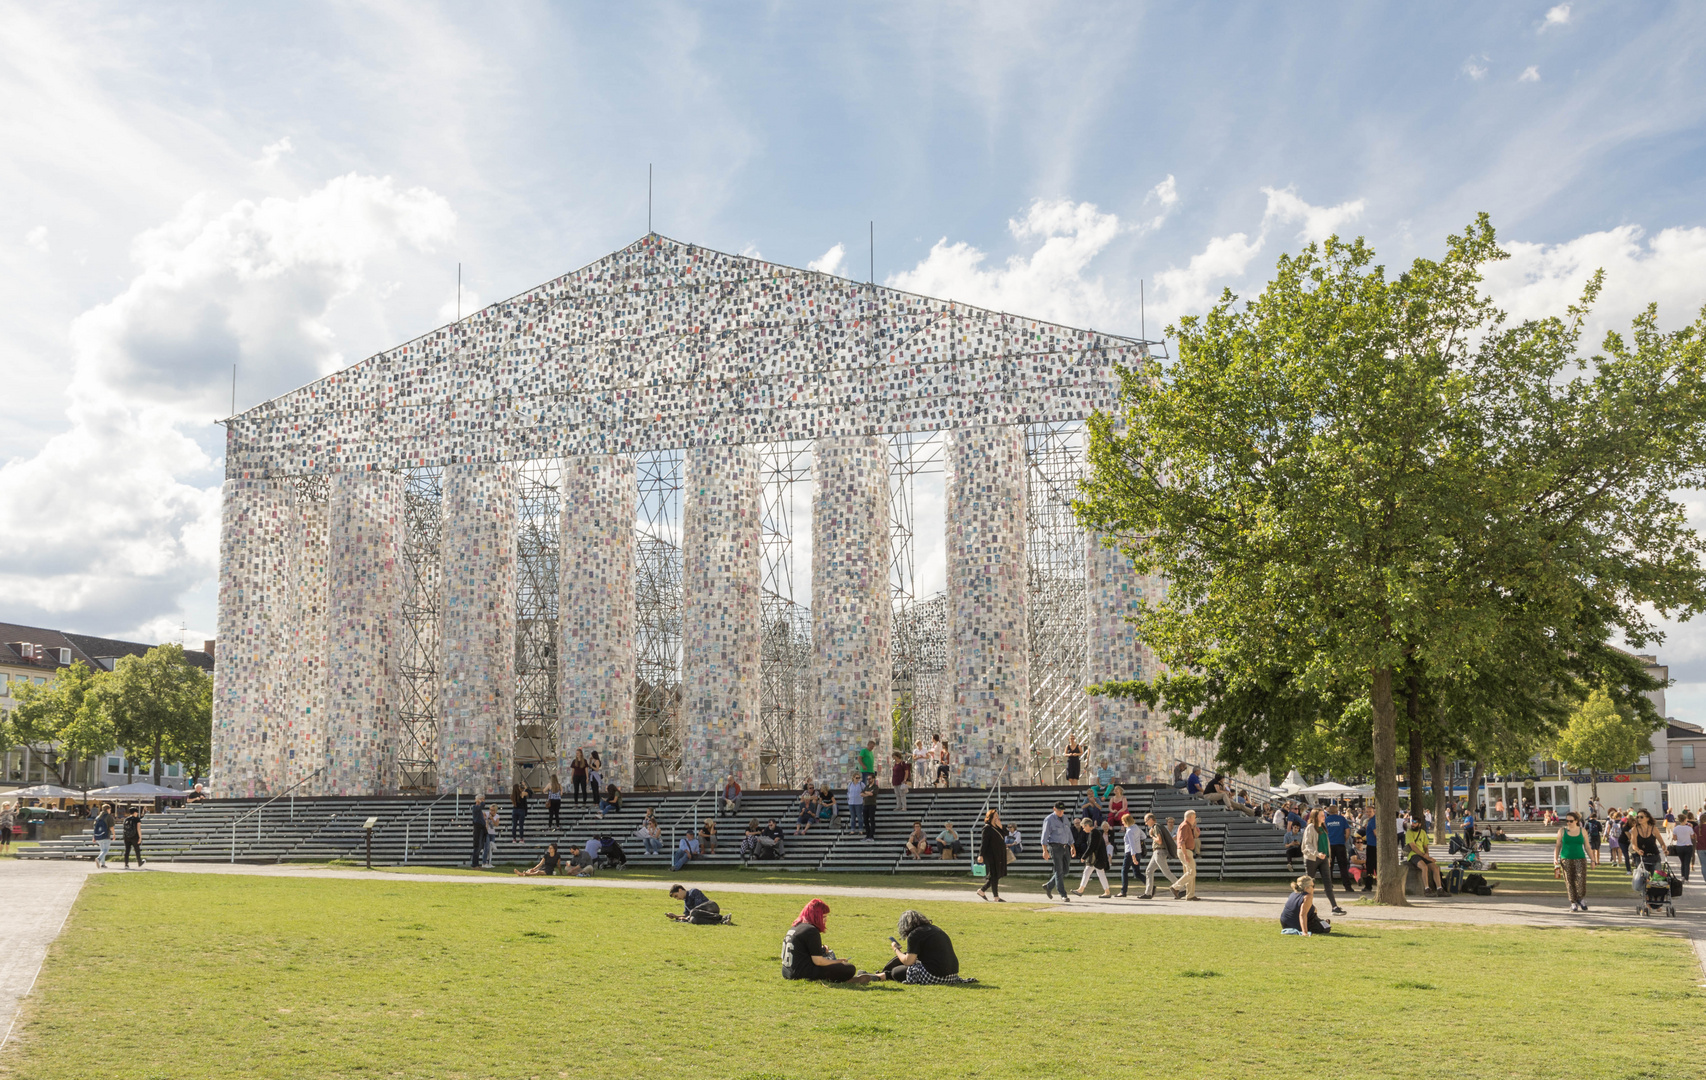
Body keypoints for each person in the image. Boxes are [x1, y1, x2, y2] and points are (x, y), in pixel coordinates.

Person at [781, 899, 871, 984]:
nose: (826, 919)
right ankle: (845, 980)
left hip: (786, 972)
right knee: (849, 968)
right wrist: (838, 962)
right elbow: (818, 961)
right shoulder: (811, 931)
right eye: (823, 916)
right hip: (801, 973)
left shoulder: (796, 927)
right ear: (815, 916)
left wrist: (821, 950)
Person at [880, 910, 975, 985]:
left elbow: (908, 961)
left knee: (896, 972)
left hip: (936, 975)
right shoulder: (934, 929)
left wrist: (896, 949)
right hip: (952, 975)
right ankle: (881, 974)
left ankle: (882, 975)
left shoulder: (915, 934)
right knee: (903, 957)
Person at [1303, 809, 1345, 915]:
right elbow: (1308, 844)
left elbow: (1327, 844)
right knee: (1309, 883)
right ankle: (1306, 907)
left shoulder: (1323, 827)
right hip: (1312, 858)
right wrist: (1317, 853)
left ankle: (1334, 907)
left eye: (1324, 815)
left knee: (1328, 883)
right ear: (1316, 816)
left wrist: (1328, 858)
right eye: (1322, 815)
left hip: (1324, 858)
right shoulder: (1311, 827)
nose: (1324, 817)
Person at [1553, 811, 1591, 911]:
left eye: (1571, 821)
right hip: (1566, 858)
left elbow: (1587, 846)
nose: (1568, 823)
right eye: (1567, 821)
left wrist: (1593, 859)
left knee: (1581, 880)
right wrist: (1555, 859)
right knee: (1569, 881)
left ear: (1576, 821)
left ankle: (1580, 898)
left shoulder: (1582, 831)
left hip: (1580, 858)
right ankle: (1573, 902)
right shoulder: (1562, 831)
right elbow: (1558, 845)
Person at [1139, 812, 1178, 899]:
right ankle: (1148, 893)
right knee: (1149, 871)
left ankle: (1181, 888)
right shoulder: (1157, 826)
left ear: (1151, 819)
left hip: (1159, 852)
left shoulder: (1156, 827)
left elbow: (1159, 841)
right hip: (1157, 852)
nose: (1146, 823)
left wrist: (1151, 835)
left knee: (1166, 872)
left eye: (1146, 821)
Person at [1041, 803, 1074, 902]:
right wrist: (1044, 850)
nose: (1061, 812)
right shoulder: (1049, 819)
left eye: (1062, 810)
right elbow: (1045, 835)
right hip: (1055, 847)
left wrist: (1072, 846)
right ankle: (1063, 894)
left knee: (1065, 870)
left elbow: (1069, 833)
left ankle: (1049, 886)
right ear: (1054, 809)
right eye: (1059, 810)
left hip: (1065, 846)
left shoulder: (1065, 818)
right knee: (1059, 870)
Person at [1074, 817, 1113, 898]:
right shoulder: (1095, 832)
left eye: (1084, 827)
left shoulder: (1094, 833)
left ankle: (1106, 891)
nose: (1083, 829)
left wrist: (1084, 856)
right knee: (1090, 872)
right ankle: (1081, 889)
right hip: (1096, 858)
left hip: (1097, 858)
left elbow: (1091, 846)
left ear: (1087, 825)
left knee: (1096, 873)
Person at [1406, 817, 1444, 896]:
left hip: (1423, 855)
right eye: (1412, 822)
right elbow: (1413, 847)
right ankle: (1427, 889)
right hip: (1413, 855)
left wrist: (1427, 854)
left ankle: (1439, 889)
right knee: (1424, 867)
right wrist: (1425, 856)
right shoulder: (1409, 833)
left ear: (1419, 824)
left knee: (1435, 867)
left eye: (1415, 823)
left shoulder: (1423, 832)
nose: (1412, 824)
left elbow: (1426, 846)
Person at [977, 809, 1008, 901]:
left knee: (996, 875)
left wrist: (1001, 826)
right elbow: (984, 843)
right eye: (995, 816)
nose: (997, 818)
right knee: (995, 874)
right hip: (991, 855)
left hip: (999, 854)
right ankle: (996, 897)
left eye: (998, 816)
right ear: (990, 818)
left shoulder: (998, 827)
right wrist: (981, 855)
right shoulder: (987, 828)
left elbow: (1006, 833)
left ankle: (982, 890)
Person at [1323, 804, 1353, 894]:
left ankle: (1329, 886)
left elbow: (1323, 832)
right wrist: (1344, 839)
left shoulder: (1326, 820)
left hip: (1329, 845)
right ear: (1337, 811)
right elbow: (1348, 831)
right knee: (1343, 866)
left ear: (1329, 811)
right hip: (1340, 844)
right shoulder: (1342, 819)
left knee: (1329, 867)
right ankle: (1347, 886)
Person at [668, 884, 732, 925]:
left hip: (711, 907)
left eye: (676, 896)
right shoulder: (686, 902)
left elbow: (697, 910)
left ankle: (722, 917)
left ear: (680, 890)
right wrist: (676, 916)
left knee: (693, 912)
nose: (677, 898)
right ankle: (722, 921)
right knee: (693, 920)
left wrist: (687, 917)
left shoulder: (693, 892)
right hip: (703, 915)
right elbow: (687, 915)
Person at [1627, 809, 1664, 878]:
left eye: (1641, 817)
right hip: (1641, 858)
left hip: (1654, 857)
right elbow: (1634, 845)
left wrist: (1664, 849)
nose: (1639, 819)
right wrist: (1638, 850)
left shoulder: (1654, 829)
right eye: (1637, 817)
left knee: (1657, 880)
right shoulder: (1634, 829)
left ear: (1647, 818)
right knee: (1642, 880)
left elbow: (1661, 842)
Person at [1172, 810, 1199, 900]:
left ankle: (1190, 895)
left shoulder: (1188, 826)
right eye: (1194, 817)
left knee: (1189, 873)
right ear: (1190, 817)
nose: (1195, 819)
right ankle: (1175, 887)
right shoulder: (1185, 826)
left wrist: (1193, 827)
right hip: (1185, 850)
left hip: (1186, 850)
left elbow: (1196, 836)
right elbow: (1182, 841)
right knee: (1192, 872)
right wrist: (1185, 855)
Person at [1117, 812, 1144, 897]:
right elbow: (1144, 836)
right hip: (1138, 851)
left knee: (1124, 871)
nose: (1122, 823)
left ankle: (1123, 891)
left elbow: (1131, 844)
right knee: (1137, 873)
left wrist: (1133, 857)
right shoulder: (1136, 827)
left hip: (1130, 853)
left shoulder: (1129, 831)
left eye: (1123, 821)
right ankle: (1150, 885)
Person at [1671, 811, 1695, 883]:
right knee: (1687, 863)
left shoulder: (1676, 828)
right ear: (1685, 820)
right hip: (1688, 846)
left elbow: (1674, 838)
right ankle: (1686, 878)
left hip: (1679, 846)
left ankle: (1682, 876)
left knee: (1682, 862)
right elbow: (1692, 837)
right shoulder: (1689, 828)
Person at [92, 803, 114, 869]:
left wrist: (94, 836)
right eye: (110, 809)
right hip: (106, 835)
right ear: (108, 809)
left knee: (102, 850)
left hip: (98, 836)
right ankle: (98, 859)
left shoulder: (98, 817)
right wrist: (114, 834)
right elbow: (111, 827)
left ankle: (103, 864)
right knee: (105, 850)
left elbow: (95, 827)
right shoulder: (108, 816)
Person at [469, 794, 488, 868]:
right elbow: (482, 805)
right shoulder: (475, 807)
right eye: (482, 799)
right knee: (477, 846)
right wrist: (481, 801)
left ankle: (476, 863)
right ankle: (474, 864)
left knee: (480, 846)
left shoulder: (478, 809)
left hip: (481, 828)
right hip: (478, 828)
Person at [891, 750, 912, 814]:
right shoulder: (895, 764)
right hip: (895, 780)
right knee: (897, 794)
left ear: (898, 757)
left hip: (901, 780)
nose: (894, 759)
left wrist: (905, 779)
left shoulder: (902, 763)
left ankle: (904, 806)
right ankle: (898, 806)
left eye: (895, 757)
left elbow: (906, 771)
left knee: (902, 794)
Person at [862, 773, 879, 841]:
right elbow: (861, 794)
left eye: (870, 779)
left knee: (872, 820)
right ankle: (867, 835)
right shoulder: (866, 787)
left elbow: (872, 794)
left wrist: (866, 793)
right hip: (865, 804)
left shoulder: (875, 787)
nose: (868, 780)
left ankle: (871, 836)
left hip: (872, 804)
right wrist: (868, 793)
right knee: (865, 820)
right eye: (867, 779)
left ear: (873, 779)